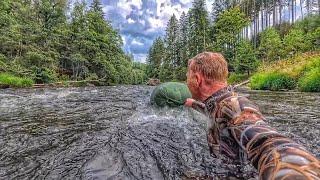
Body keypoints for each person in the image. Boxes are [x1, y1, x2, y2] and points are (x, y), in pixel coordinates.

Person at [184, 52, 320, 179]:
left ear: (197, 79)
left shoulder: (236, 106)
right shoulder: (217, 103)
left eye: (187, 77)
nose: (186, 82)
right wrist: (192, 103)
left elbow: (268, 143)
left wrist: (294, 173)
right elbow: (212, 112)